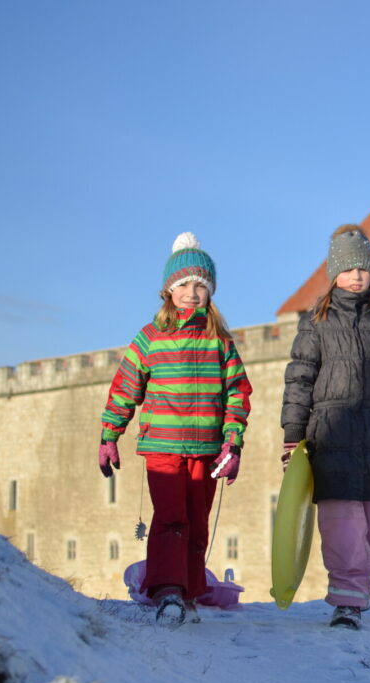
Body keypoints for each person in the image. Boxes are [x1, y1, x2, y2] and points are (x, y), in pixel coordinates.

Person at [98, 232, 252, 628]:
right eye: (184, 284)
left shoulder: (220, 341)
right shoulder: (150, 338)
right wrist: (109, 436)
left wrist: (232, 445)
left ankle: (189, 592)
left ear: (210, 291)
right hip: (163, 447)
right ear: (168, 290)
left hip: (207, 450)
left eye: (201, 285)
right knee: (171, 519)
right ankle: (167, 591)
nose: (192, 292)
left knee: (197, 523)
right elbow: (125, 386)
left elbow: (238, 392)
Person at [281, 224, 370, 630]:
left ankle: (359, 585)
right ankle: (347, 599)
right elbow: (299, 379)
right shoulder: (316, 321)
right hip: (330, 434)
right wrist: (293, 436)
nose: (356, 276)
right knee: (343, 524)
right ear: (334, 275)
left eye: (363, 269)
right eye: (348, 270)